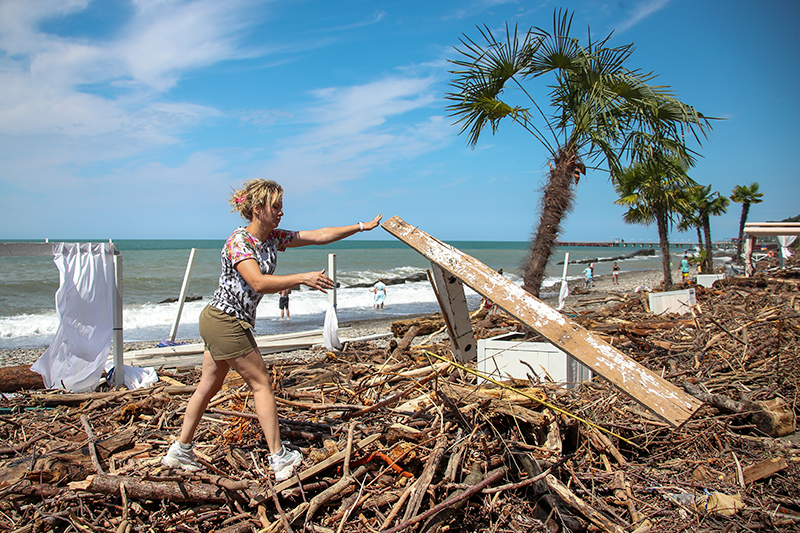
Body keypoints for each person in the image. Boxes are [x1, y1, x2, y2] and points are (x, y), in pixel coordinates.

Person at [161, 178, 381, 481]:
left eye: (281, 207)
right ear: (257, 209)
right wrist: (302, 278)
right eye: (275, 207)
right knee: (261, 383)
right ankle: (279, 459)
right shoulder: (239, 242)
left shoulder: (273, 239)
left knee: (208, 386)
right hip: (225, 321)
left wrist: (359, 226)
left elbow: (318, 235)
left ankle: (180, 451)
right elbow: (257, 282)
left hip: (221, 320)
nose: (280, 212)